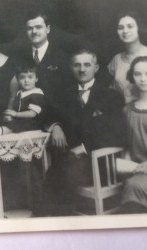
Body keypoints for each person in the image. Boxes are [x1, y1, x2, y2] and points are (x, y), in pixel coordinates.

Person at [44, 49, 126, 215]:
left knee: (63, 173)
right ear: (71, 68)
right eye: (77, 65)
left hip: (100, 162)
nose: (82, 69)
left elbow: (118, 134)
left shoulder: (111, 96)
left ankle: (58, 219)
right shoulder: (65, 95)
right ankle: (53, 220)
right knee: (56, 172)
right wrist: (55, 126)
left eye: (87, 65)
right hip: (70, 160)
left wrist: (85, 147)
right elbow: (48, 115)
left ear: (95, 68)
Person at [20, 10, 71, 110]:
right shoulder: (20, 57)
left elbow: (68, 94)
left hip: (55, 116)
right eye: (30, 28)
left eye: (38, 27)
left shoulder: (63, 57)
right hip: (25, 116)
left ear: (48, 29)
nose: (34, 31)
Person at [0, 62, 46, 136]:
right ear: (18, 79)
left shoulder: (37, 94)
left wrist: (15, 114)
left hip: (31, 123)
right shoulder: (20, 92)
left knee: (13, 126)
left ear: (36, 79)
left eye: (30, 77)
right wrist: (10, 115)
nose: (26, 80)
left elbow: (32, 113)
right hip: (20, 119)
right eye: (22, 77)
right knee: (4, 120)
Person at [120, 56, 147, 214]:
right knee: (131, 185)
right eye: (138, 74)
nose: (143, 79)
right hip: (138, 170)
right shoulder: (127, 110)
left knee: (134, 187)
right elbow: (127, 145)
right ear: (132, 76)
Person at [108, 11, 147, 104]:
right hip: (124, 112)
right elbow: (113, 90)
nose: (125, 31)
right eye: (120, 28)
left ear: (139, 28)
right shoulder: (116, 59)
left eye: (130, 26)